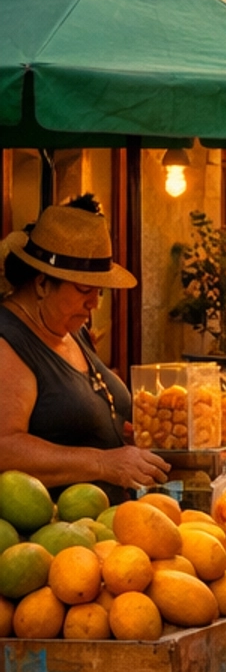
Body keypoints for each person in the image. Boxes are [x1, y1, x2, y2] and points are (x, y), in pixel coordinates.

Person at [0, 195, 169, 492]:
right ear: (41, 283)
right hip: (54, 532)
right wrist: (103, 462)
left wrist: (120, 433)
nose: (93, 303)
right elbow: (5, 448)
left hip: (107, 528)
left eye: (99, 292)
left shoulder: (70, 327)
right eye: (84, 290)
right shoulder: (8, 340)